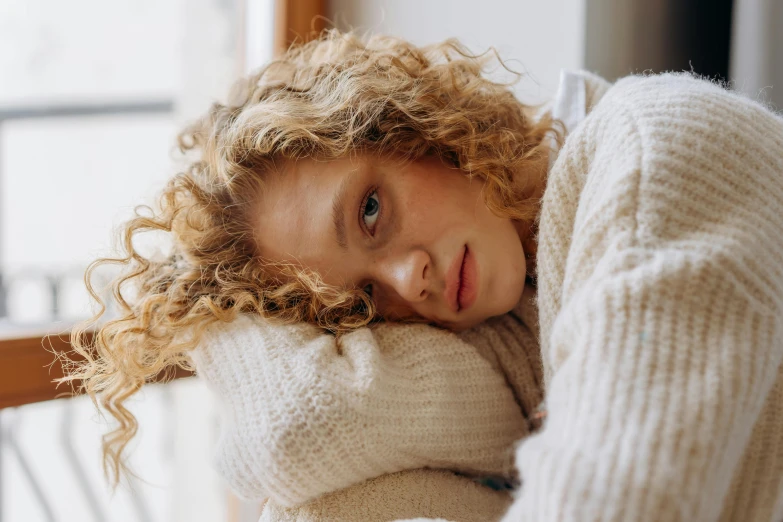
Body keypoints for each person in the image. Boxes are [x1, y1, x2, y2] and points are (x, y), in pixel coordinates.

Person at [63, 29, 783, 522]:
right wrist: (219, 314)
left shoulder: (657, 152)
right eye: (363, 301)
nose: (409, 284)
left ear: (420, 126)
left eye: (371, 211)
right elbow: (300, 431)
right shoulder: (513, 316)